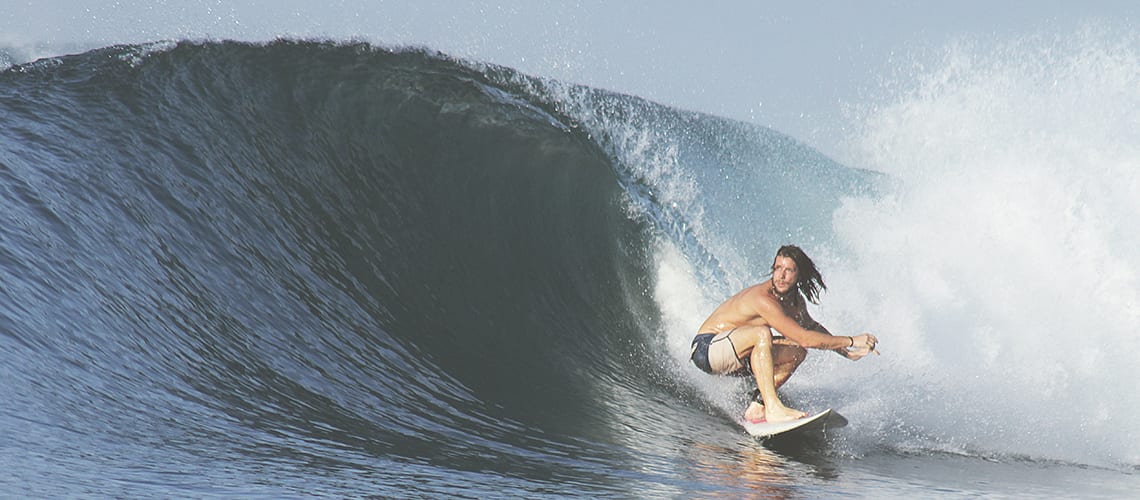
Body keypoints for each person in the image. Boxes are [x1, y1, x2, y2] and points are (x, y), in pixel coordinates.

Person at [689, 245, 878, 424]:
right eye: (777, 268)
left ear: (799, 275)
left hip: (737, 356)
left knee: (798, 351)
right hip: (707, 349)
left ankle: (758, 405)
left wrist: (847, 351)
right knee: (763, 334)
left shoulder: (794, 301)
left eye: (789, 270)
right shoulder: (764, 300)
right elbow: (804, 337)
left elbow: (811, 328)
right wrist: (853, 339)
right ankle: (773, 408)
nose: (781, 275)